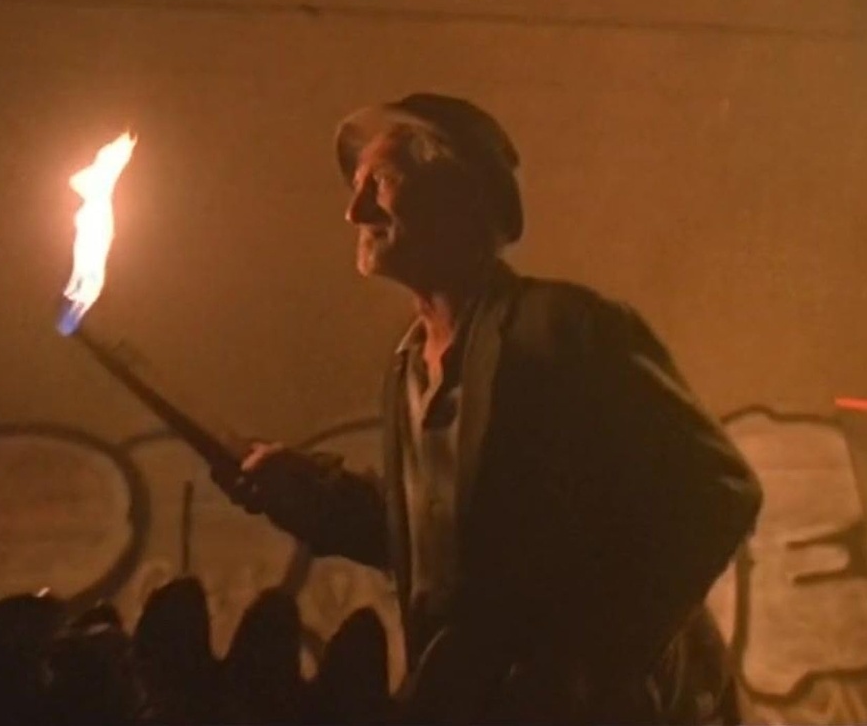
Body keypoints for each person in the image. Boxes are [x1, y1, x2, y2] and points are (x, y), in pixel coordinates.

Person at [216, 93, 762, 724]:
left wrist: (589, 666)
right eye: (356, 186)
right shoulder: (406, 369)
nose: (354, 210)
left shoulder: (564, 331)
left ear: (457, 196)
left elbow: (718, 491)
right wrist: (310, 494)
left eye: (381, 183)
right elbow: (453, 545)